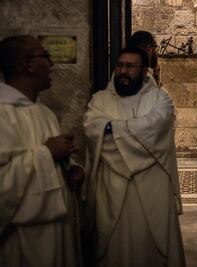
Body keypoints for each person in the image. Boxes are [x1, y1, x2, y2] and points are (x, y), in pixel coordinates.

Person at [83, 46, 185, 267]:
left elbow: (155, 127)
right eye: (119, 65)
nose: (122, 71)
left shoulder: (159, 100)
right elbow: (92, 128)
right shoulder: (100, 100)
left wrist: (111, 129)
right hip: (111, 190)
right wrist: (130, 131)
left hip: (152, 189)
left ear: (144, 70)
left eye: (130, 66)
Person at [0, 35, 84, 267]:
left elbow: (55, 163)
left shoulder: (44, 113)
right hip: (21, 241)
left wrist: (72, 169)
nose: (52, 64)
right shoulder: (2, 114)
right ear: (28, 64)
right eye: (45, 57)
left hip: (58, 234)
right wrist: (47, 154)